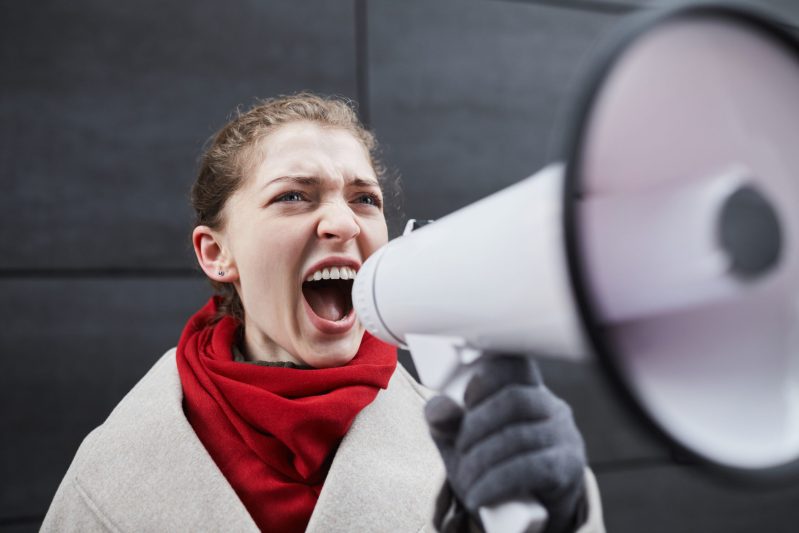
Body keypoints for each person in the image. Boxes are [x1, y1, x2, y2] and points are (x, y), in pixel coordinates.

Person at [42, 93, 604, 532]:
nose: (344, 223)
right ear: (217, 253)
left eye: (365, 199)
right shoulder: (110, 471)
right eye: (294, 196)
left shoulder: (482, 438)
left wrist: (554, 518)